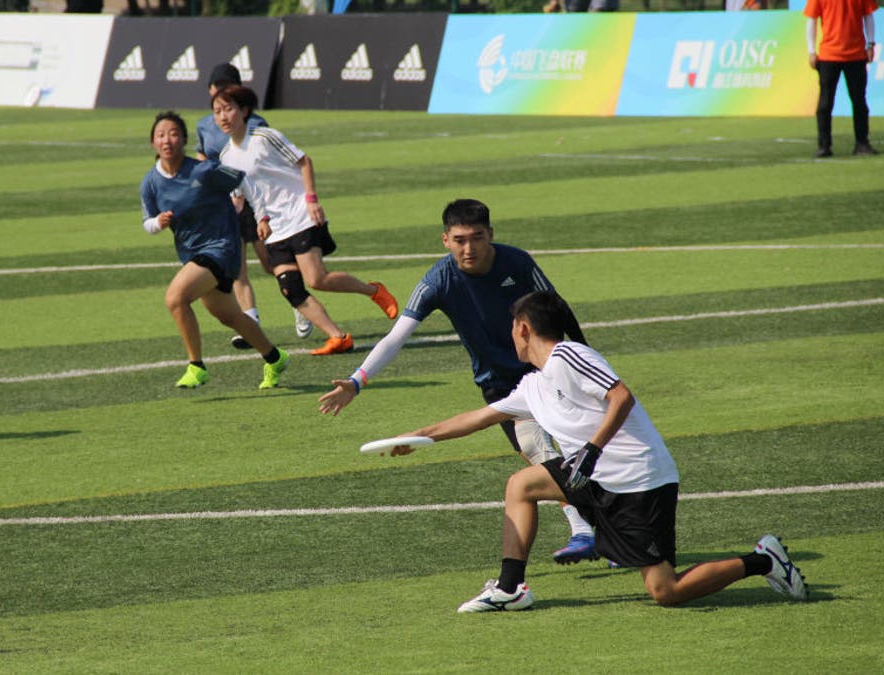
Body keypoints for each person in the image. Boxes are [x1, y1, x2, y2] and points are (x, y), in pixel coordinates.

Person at [380, 291, 809, 612]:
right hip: (592, 476)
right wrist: (415, 437)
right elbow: (478, 417)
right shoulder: (533, 385)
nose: (510, 334)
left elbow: (621, 397)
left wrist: (590, 450)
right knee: (521, 484)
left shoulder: (570, 355)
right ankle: (511, 589)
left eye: (512, 327)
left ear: (524, 329)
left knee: (666, 592)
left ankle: (763, 561)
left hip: (638, 481)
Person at [318, 199, 597, 564]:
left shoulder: (518, 262)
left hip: (549, 370)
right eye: (460, 239)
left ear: (491, 236)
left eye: (477, 238)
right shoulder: (438, 280)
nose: (469, 248)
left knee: (583, 448)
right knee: (537, 452)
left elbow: (558, 309)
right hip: (501, 384)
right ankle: (585, 532)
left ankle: (607, 530)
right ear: (445, 240)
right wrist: (357, 381)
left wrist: (587, 362)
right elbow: (395, 338)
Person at [212, 85, 399, 356]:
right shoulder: (225, 157)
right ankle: (338, 337)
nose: (223, 117)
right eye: (217, 111)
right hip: (273, 228)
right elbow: (240, 199)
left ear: (243, 110)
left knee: (317, 279)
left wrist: (311, 200)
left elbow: (304, 162)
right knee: (290, 288)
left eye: (228, 109)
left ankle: (373, 290)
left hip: (299, 214)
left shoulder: (265, 137)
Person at [140, 110, 289, 390]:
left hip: (222, 247)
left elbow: (244, 181)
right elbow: (147, 223)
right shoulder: (150, 182)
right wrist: (158, 223)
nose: (167, 139)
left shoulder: (202, 170)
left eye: (173, 133)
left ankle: (196, 366)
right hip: (193, 253)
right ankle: (275, 357)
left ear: (183, 139)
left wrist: (262, 217)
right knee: (229, 316)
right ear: (153, 143)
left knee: (175, 298)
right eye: (160, 135)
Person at [193, 63, 314, 349]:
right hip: (224, 203)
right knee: (237, 269)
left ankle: (298, 301)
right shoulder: (203, 124)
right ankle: (251, 321)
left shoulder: (257, 124)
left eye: (227, 88)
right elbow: (202, 157)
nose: (220, 95)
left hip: (256, 203)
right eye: (216, 87)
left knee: (270, 262)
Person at [806, 0, 879, 157]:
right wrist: (811, 50)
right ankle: (824, 145)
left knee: (859, 101)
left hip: (856, 54)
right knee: (825, 102)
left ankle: (862, 143)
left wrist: (871, 44)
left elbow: (868, 16)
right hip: (829, 55)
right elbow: (812, 19)